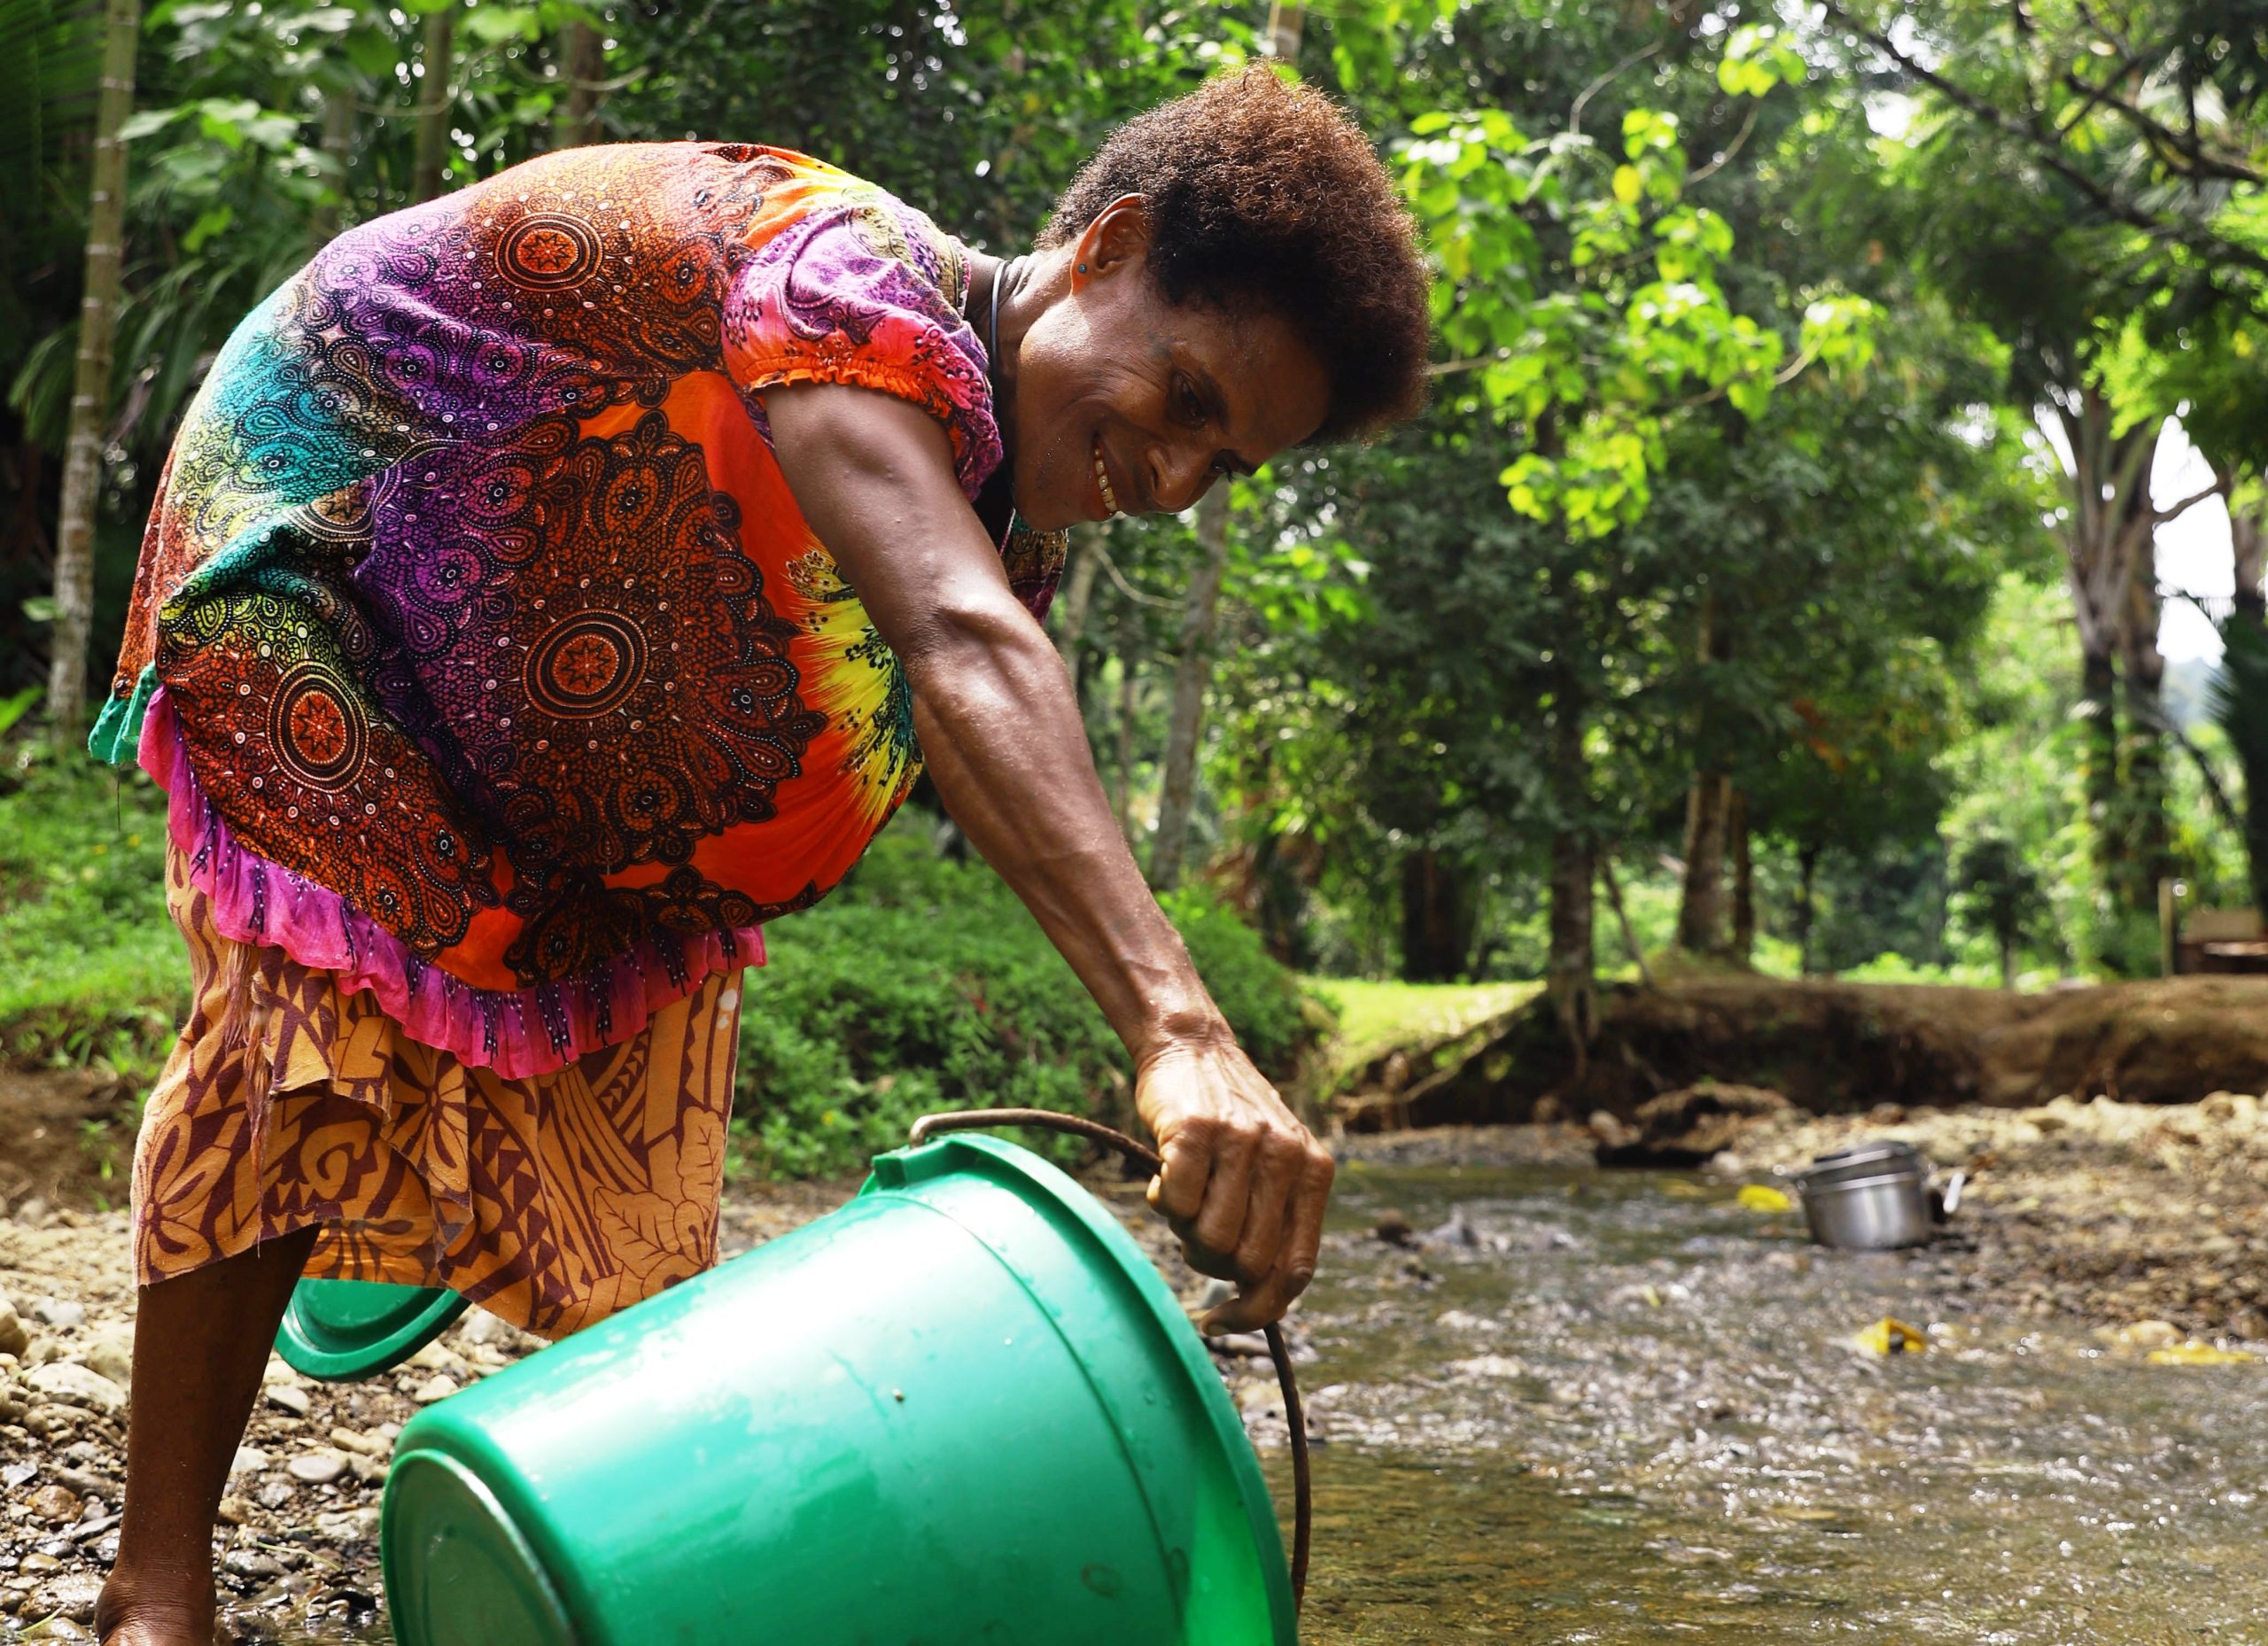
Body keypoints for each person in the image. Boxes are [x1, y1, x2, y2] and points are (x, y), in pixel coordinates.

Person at [85, 63, 1431, 1646]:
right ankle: (154, 1590)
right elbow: (954, 645)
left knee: (639, 1264)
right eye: (1188, 399)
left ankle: (591, 1570)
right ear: (1106, 249)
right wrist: (1181, 1029)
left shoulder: (1015, 529)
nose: (1179, 476)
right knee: (305, 1036)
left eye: (1227, 466)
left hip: (552, 772)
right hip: (336, 547)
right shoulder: (842, 272)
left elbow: (967, 719)